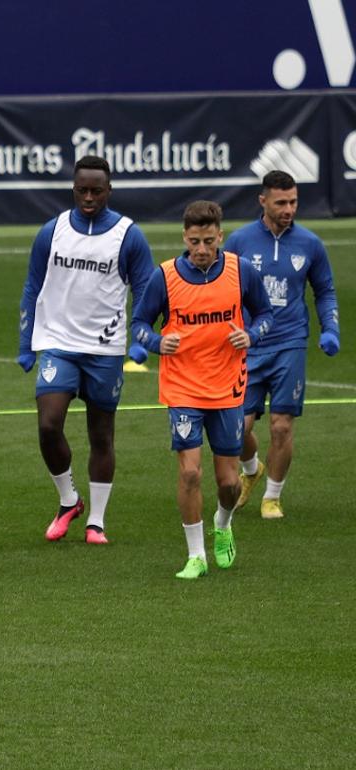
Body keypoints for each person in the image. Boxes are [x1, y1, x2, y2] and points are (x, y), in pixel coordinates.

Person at [130, 200, 273, 579]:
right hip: (182, 389)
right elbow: (139, 325)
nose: (202, 250)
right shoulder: (164, 277)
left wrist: (252, 334)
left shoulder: (241, 272)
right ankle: (196, 555)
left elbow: (266, 315)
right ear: (184, 237)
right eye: (194, 241)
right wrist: (157, 343)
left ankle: (222, 523)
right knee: (190, 474)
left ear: (220, 236)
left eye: (209, 241)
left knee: (228, 483)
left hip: (227, 388)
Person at [17, 156, 155, 544]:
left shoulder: (128, 235)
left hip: (105, 351)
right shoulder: (53, 231)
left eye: (97, 190)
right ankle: (68, 500)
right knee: (48, 425)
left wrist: (140, 338)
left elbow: (146, 290)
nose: (89, 197)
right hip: (59, 345)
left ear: (109, 191)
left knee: (101, 436)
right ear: (73, 189)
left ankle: (96, 520)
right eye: (83, 190)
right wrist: (26, 343)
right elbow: (32, 285)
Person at [224, 171, 341, 519]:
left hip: (290, 342)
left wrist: (330, 328)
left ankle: (272, 497)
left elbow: (325, 290)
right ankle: (251, 470)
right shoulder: (240, 241)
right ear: (263, 201)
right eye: (281, 202)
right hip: (248, 345)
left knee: (281, 425)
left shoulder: (310, 244)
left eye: (293, 202)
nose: (289, 208)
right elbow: (220, 287)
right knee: (237, 428)